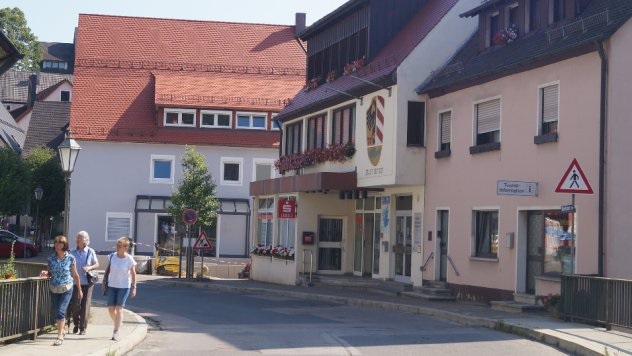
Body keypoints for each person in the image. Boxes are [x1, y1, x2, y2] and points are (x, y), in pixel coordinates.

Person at [40, 235, 83, 346]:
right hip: (54, 287)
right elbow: (50, 273)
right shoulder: (51, 258)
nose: (57, 245)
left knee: (60, 311)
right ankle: (62, 330)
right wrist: (45, 273)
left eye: (60, 243)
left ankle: (59, 336)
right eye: (56, 243)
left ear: (64, 245)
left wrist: (79, 289)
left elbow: (75, 275)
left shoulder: (70, 258)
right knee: (55, 310)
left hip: (67, 288)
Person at [103, 236, 137, 341]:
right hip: (112, 285)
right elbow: (107, 270)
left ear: (125, 247)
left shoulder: (129, 259)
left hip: (124, 286)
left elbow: (133, 273)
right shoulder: (112, 256)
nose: (117, 247)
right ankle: (119, 323)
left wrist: (134, 287)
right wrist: (104, 282)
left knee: (119, 308)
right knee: (110, 309)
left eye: (119, 245)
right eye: (117, 245)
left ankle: (116, 332)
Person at [69, 230, 99, 335]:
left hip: (88, 282)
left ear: (85, 240)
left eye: (79, 238)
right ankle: (76, 323)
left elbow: (96, 264)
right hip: (75, 282)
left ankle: (83, 327)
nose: (77, 240)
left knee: (85, 305)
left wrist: (89, 267)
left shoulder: (90, 251)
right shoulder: (72, 251)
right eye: (77, 238)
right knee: (75, 305)